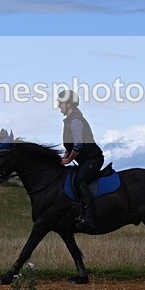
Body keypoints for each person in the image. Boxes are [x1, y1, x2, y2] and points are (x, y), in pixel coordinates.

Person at [58, 89, 104, 230]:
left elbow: (78, 146)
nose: (59, 107)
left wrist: (67, 160)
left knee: (79, 182)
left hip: (93, 159)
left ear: (69, 104)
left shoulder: (76, 121)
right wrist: (63, 158)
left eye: (61, 104)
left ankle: (89, 218)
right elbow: (70, 146)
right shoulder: (69, 121)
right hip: (85, 161)